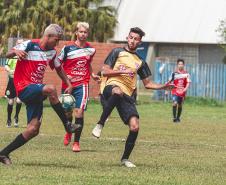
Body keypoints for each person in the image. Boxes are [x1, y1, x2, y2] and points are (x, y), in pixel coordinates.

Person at [92, 27, 174, 168]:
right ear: (127, 37)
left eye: (136, 39)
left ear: (140, 42)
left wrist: (164, 86)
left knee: (135, 127)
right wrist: (122, 72)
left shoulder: (140, 62)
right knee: (117, 92)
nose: (132, 41)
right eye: (131, 37)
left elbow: (148, 84)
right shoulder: (117, 52)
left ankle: (125, 159)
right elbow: (105, 71)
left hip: (127, 95)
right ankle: (100, 123)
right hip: (111, 87)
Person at [0, 24, 79, 165]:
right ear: (48, 36)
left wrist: (69, 83)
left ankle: (3, 153)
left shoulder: (52, 52)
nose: (57, 43)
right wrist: (15, 53)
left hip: (35, 91)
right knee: (50, 89)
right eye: (56, 40)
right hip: (23, 88)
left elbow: (59, 68)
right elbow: (7, 54)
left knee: (33, 129)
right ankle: (67, 124)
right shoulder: (30, 44)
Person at [56, 22, 99, 152]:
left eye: (85, 32)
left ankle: (76, 142)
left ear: (88, 34)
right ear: (76, 33)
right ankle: (69, 131)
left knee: (79, 112)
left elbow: (88, 64)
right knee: (67, 112)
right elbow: (58, 64)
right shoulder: (67, 48)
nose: (83, 34)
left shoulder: (91, 50)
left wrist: (92, 74)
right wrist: (65, 78)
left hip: (82, 84)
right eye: (81, 32)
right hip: (68, 85)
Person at [4, 40, 23, 127]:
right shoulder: (12, 55)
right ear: (16, 44)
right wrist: (10, 70)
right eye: (18, 43)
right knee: (11, 102)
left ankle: (16, 117)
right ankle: (8, 119)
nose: (20, 45)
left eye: (21, 44)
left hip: (21, 81)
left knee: (19, 100)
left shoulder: (24, 55)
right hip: (12, 81)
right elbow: (6, 66)